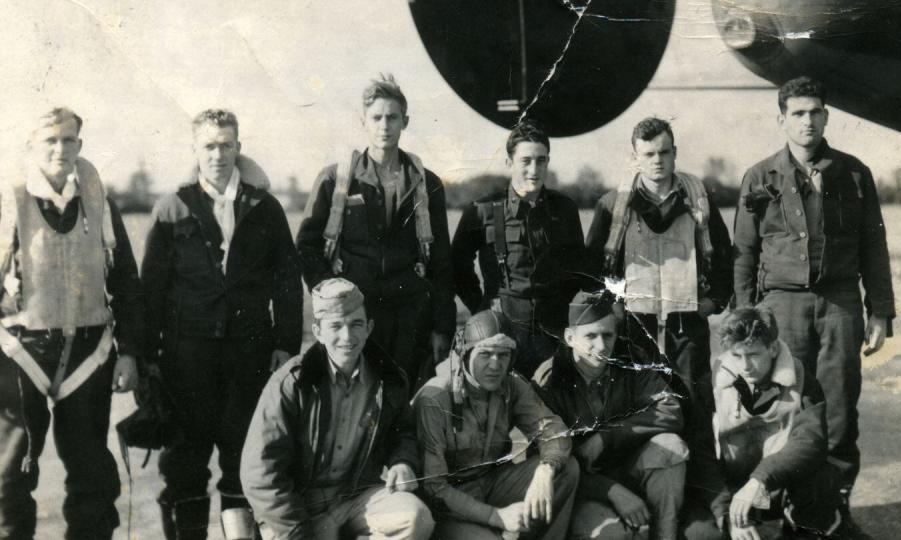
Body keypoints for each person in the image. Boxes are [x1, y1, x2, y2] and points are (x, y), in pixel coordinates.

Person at [732, 76, 894, 536]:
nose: (807, 121)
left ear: (826, 116)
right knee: (785, 407)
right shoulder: (759, 176)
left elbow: (873, 246)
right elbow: (744, 252)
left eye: (815, 111)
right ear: (782, 118)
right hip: (780, 307)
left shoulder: (854, 173)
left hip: (839, 302)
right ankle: (789, 506)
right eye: (798, 113)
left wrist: (879, 309)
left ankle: (833, 509)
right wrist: (746, 319)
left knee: (840, 408)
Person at [141, 109, 303, 539]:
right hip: (185, 359)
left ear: (238, 147)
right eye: (209, 146)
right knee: (184, 464)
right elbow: (150, 290)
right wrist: (146, 357)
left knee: (245, 461)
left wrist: (286, 346)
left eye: (226, 144)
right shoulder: (172, 207)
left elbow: (287, 282)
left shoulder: (265, 208)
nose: (218, 154)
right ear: (195, 150)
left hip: (249, 357)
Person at [0, 107, 145, 539]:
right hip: (21, 353)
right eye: (50, 140)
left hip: (88, 354)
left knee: (93, 480)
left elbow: (126, 283)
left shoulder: (99, 203)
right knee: (8, 478)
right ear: (31, 146)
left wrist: (131, 353)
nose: (60, 149)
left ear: (79, 145)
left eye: (68, 140)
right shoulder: (9, 202)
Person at [241, 278, 434, 540]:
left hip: (356, 498)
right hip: (300, 509)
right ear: (318, 331)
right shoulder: (292, 383)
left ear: (369, 328)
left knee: (415, 518)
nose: (347, 337)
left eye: (356, 324)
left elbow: (404, 432)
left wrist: (403, 461)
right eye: (335, 326)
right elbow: (260, 473)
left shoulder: (389, 379)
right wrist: (297, 533)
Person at [297, 74, 455, 391]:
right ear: (363, 122)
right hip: (355, 314)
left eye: (392, 117)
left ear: (405, 121)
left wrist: (442, 327)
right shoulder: (335, 179)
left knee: (406, 401)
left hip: (411, 316)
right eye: (377, 117)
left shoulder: (426, 183)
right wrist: (332, 300)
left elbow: (441, 261)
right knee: (354, 399)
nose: (385, 125)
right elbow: (306, 246)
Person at [586, 117, 733, 422]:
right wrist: (612, 306)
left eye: (664, 153)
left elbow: (723, 254)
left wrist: (714, 301)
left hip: (688, 322)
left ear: (675, 152)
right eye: (649, 154)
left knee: (696, 405)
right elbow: (592, 266)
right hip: (633, 323)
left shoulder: (698, 199)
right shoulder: (613, 205)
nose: (657, 161)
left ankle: (701, 470)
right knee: (634, 405)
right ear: (634, 157)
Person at [532, 291, 688, 540]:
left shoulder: (630, 358)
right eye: (590, 336)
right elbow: (546, 462)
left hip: (628, 466)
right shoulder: (549, 381)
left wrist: (608, 437)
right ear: (570, 337)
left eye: (608, 335)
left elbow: (669, 409)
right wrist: (612, 491)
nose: (602, 346)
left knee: (670, 448)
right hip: (583, 487)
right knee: (612, 535)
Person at [414, 309, 580, 539]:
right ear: (466, 354)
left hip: (492, 483)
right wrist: (495, 516)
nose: (495, 365)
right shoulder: (435, 399)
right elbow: (435, 489)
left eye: (503, 355)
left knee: (566, 469)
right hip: (450, 506)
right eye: (486, 354)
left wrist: (545, 469)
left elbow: (553, 430)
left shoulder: (511, 385)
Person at [684, 308, 847, 540]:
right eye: (737, 356)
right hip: (730, 487)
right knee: (699, 534)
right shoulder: (710, 384)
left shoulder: (801, 377)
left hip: (773, 486)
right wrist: (726, 510)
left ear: (772, 348)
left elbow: (811, 441)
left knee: (822, 480)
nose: (745, 366)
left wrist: (761, 479)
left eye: (753, 355)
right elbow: (701, 454)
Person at [451, 120, 586, 377]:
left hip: (553, 327)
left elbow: (578, 267)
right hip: (502, 326)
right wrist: (480, 309)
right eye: (525, 160)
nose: (534, 169)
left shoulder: (564, 209)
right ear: (509, 163)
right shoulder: (482, 210)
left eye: (541, 160)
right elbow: (458, 265)